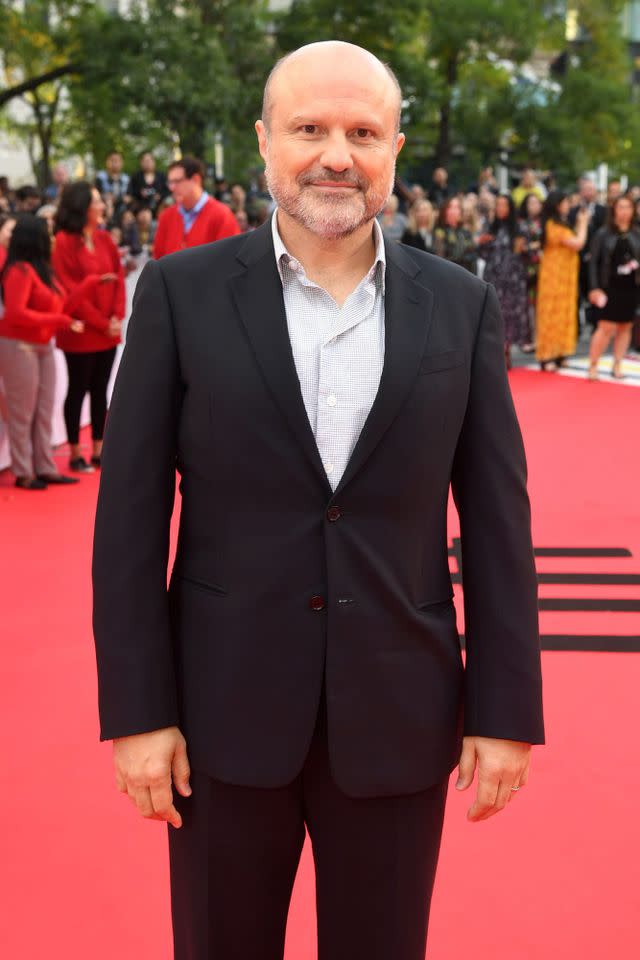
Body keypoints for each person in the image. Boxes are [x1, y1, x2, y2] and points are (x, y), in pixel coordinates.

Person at [93, 41, 544, 960]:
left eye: (362, 132)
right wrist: (138, 711)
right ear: (264, 143)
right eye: (310, 128)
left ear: (394, 150)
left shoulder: (457, 306)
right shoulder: (182, 295)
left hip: (401, 715)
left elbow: (498, 525)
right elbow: (130, 520)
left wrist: (506, 713)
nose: (336, 153)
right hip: (218, 718)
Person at [0, 215, 84, 489]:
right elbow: (16, 313)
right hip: (18, 345)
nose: (51, 239)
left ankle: (45, 466)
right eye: (47, 233)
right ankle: (24, 471)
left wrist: (90, 284)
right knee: (22, 412)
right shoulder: (19, 271)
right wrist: (59, 321)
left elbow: (58, 307)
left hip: (42, 345)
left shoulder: (42, 270)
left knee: (45, 408)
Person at [53, 182, 125, 472]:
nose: (102, 206)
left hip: (107, 329)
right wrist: (100, 322)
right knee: (78, 388)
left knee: (100, 389)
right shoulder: (62, 242)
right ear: (83, 206)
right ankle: (73, 451)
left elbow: (119, 278)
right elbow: (69, 292)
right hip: (81, 332)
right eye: (96, 201)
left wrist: (117, 317)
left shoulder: (105, 239)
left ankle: (99, 447)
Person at [587, 194, 640, 380]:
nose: (625, 211)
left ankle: (617, 364)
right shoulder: (603, 234)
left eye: (628, 207)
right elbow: (593, 263)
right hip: (608, 287)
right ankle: (593, 365)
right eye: (621, 207)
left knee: (625, 327)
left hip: (631, 288)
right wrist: (594, 287)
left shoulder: (636, 233)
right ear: (614, 210)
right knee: (605, 327)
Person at [536, 190, 589, 371]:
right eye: (565, 202)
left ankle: (561, 353)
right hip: (553, 276)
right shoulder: (552, 225)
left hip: (565, 277)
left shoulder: (562, 223)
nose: (568, 205)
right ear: (557, 204)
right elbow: (578, 243)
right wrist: (583, 223)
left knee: (565, 312)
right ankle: (547, 355)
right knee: (551, 314)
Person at [152, 155, 240, 258]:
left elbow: (230, 262)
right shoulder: (166, 217)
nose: (172, 188)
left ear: (195, 180)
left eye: (177, 181)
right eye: (170, 182)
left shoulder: (222, 215)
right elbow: (158, 260)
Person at [479, 194, 529, 366]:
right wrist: (482, 243)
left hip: (513, 277)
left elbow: (522, 253)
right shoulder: (489, 226)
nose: (500, 208)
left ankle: (506, 349)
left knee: (510, 314)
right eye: (498, 205)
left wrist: (524, 247)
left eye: (504, 205)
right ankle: (498, 350)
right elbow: (483, 254)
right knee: (494, 313)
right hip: (494, 276)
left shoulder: (519, 227)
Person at [568, 177, 607, 335]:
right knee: (576, 294)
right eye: (586, 189)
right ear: (581, 192)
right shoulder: (573, 211)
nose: (589, 193)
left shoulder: (603, 211)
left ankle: (596, 325)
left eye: (591, 189)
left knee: (595, 289)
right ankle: (576, 328)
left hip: (596, 259)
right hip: (577, 258)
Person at [518, 193, 544, 351]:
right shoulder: (521, 224)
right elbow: (520, 247)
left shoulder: (545, 222)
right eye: (530, 203)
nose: (534, 206)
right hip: (526, 268)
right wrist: (535, 246)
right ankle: (528, 339)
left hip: (544, 268)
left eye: (536, 203)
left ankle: (541, 339)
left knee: (541, 305)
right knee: (527, 306)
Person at [433, 196, 477, 272]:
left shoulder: (465, 233)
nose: (456, 210)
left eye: (457, 207)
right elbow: (440, 258)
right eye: (452, 207)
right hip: (448, 274)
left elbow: (473, 256)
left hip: (467, 275)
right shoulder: (439, 232)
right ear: (445, 211)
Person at [128, 151, 168, 215]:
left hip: (160, 206)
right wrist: (140, 193)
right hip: (141, 208)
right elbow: (131, 192)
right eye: (145, 161)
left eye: (149, 161)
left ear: (154, 162)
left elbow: (168, 191)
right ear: (141, 163)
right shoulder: (136, 177)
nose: (147, 163)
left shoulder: (162, 176)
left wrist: (160, 196)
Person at [95, 151, 130, 220]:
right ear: (107, 162)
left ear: (122, 163)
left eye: (117, 161)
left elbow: (129, 197)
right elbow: (95, 195)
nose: (115, 163)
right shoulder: (100, 177)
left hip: (122, 211)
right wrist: (105, 197)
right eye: (112, 160)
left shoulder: (126, 179)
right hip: (104, 209)